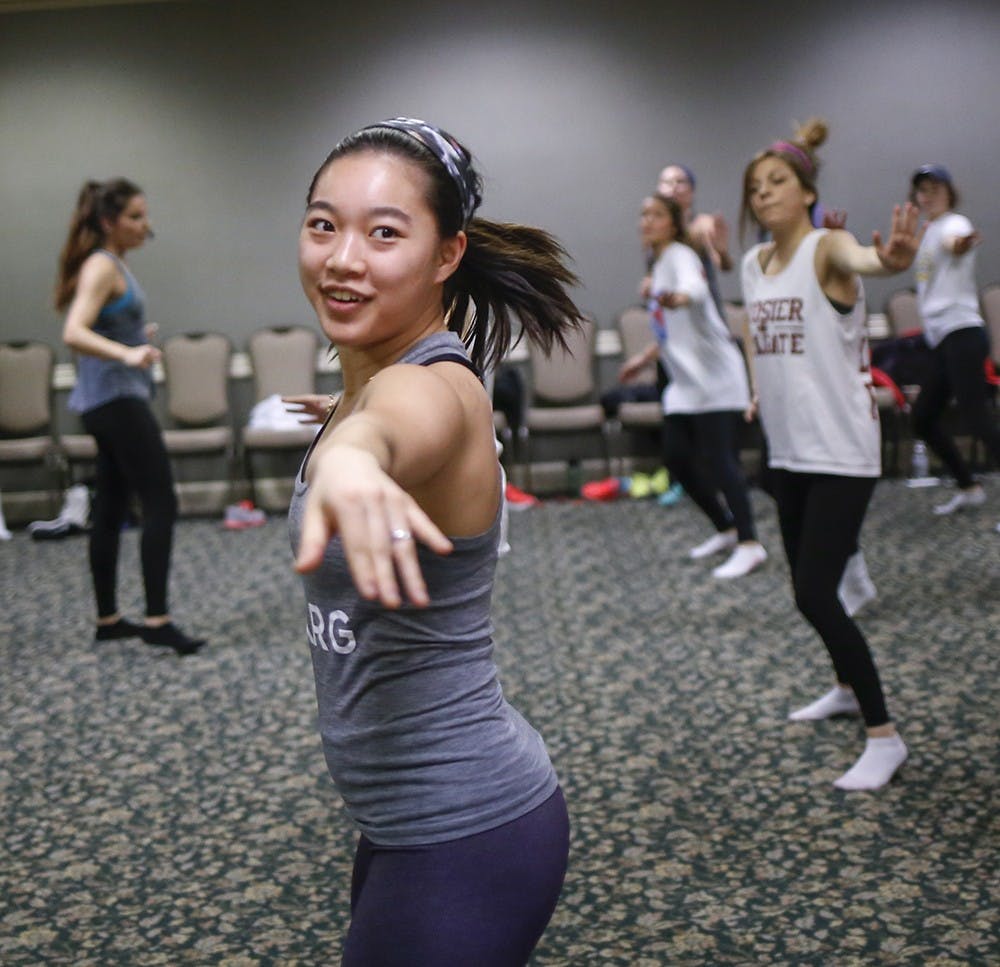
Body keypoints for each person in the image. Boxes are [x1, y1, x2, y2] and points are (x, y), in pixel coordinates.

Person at [289, 118, 575, 965]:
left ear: (447, 254)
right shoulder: (372, 386)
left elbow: (400, 424)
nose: (343, 257)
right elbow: (374, 415)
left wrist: (349, 458)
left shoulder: (438, 389)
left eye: (384, 233)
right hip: (405, 823)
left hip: (467, 825)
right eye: (322, 224)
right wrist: (339, 421)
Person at [739, 119, 920, 790]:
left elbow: (868, 261)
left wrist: (893, 262)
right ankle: (845, 687)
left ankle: (884, 734)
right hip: (788, 449)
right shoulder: (752, 263)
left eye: (777, 182)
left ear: (807, 189)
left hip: (842, 447)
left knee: (817, 593)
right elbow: (757, 336)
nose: (763, 195)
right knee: (805, 589)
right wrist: (759, 385)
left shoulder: (828, 246)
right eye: (755, 187)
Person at [57, 178, 204, 655]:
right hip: (117, 402)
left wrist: (134, 336)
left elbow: (98, 326)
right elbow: (75, 332)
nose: (147, 225)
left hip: (103, 402)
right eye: (136, 217)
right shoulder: (102, 265)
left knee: (112, 505)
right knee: (161, 501)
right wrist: (126, 355)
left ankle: (108, 619)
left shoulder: (110, 264)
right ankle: (158, 621)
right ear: (108, 222)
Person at [621, 194, 766, 578]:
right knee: (677, 460)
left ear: (673, 222)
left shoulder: (681, 256)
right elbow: (671, 327)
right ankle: (726, 528)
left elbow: (694, 291)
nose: (647, 221)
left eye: (655, 215)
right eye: (643, 214)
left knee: (722, 463)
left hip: (716, 378)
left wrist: (681, 297)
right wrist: (646, 357)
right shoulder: (659, 262)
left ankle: (751, 544)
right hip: (686, 384)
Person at [908, 164, 1000, 516]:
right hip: (942, 339)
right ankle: (969, 486)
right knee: (923, 418)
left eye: (934, 188)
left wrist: (960, 245)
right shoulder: (926, 231)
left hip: (962, 333)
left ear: (949, 191)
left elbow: (956, 243)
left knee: (978, 420)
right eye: (921, 190)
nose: (927, 196)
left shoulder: (954, 224)